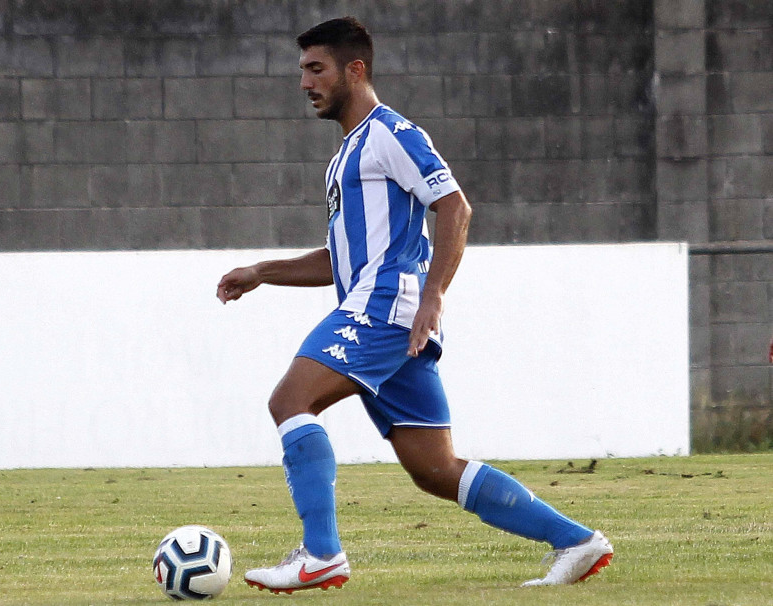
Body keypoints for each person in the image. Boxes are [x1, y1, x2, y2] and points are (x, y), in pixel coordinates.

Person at [216, 16, 613, 593]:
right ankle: (578, 542)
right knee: (434, 470)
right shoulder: (347, 154)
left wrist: (433, 297)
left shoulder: (391, 134)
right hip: (387, 315)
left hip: (385, 308)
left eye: (315, 69)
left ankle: (321, 554)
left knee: (290, 401)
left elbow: (454, 207)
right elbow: (342, 258)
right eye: (302, 71)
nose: (304, 82)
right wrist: (263, 272)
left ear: (355, 69)